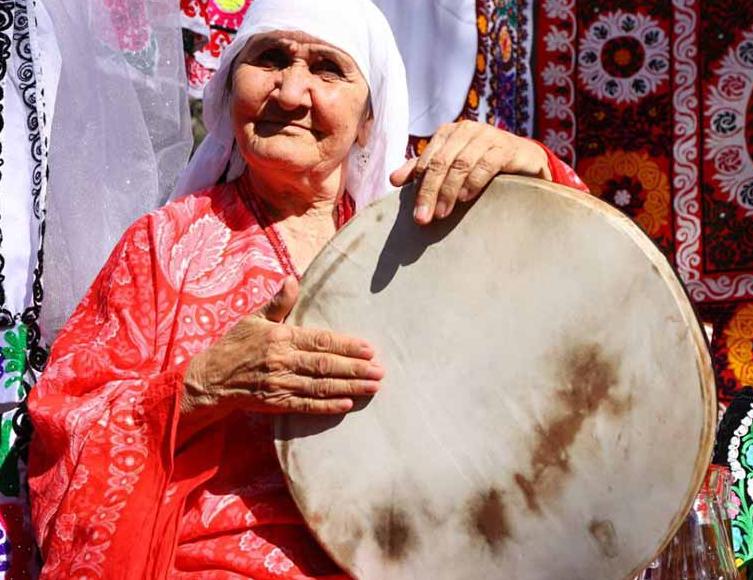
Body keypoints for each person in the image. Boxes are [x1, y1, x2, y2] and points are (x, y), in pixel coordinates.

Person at [26, 0, 588, 577]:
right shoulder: (162, 248)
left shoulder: (428, 235)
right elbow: (63, 441)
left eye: (327, 69)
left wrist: (536, 173)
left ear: (370, 118)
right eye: (269, 60)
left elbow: (586, 330)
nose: (292, 94)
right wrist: (196, 390)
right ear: (226, 91)